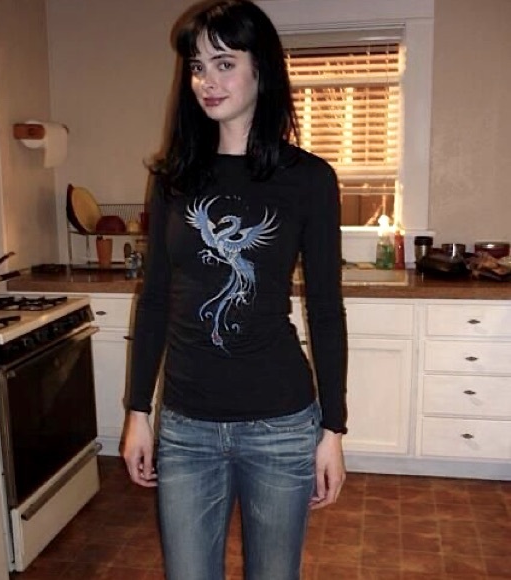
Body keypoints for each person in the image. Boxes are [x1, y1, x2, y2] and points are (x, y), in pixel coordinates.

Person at [122, 1, 348, 578]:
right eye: (198, 67)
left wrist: (333, 429)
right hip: (186, 426)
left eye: (224, 64)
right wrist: (137, 411)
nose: (207, 81)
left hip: (280, 423)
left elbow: (326, 309)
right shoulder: (173, 180)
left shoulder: (309, 179)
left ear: (261, 69)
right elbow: (155, 301)